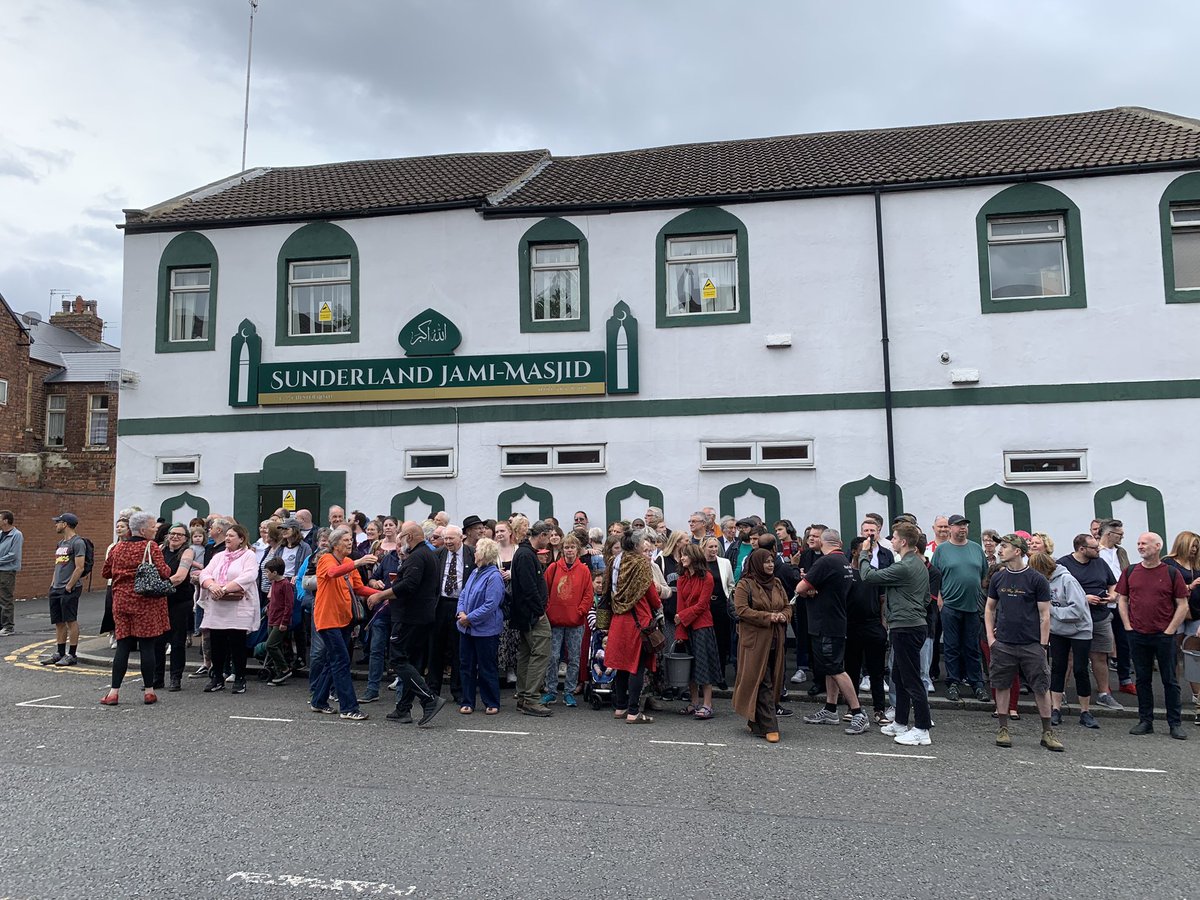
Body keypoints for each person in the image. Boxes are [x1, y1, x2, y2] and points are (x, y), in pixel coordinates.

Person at [985, 534, 1062, 752]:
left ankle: (1047, 732)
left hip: (1031, 644)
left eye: (1005, 547)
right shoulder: (998, 578)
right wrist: (991, 638)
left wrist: (1042, 645)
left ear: (1017, 551)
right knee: (1001, 684)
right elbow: (989, 608)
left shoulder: (1036, 579)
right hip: (1004, 643)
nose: (1000, 550)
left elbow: (1045, 614)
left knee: (1041, 687)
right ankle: (1003, 728)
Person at [861, 522, 933, 746]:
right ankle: (900, 722)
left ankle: (922, 729)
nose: (891, 541)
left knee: (911, 679)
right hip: (909, 625)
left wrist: (865, 552)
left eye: (893, 537)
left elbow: (868, 576)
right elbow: (925, 597)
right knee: (899, 676)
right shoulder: (917, 563)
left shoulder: (905, 567)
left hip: (907, 627)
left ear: (903, 542)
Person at [795, 529, 869, 735]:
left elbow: (800, 588)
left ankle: (858, 713)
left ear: (822, 541)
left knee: (835, 667)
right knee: (831, 666)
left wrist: (808, 586)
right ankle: (830, 709)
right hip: (835, 621)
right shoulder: (843, 561)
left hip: (825, 623)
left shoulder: (825, 562)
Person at [1117, 532, 1189, 740]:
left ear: (1157, 546)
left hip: (1163, 636)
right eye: (1138, 543)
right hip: (1137, 634)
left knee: (1170, 680)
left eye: (1145, 543)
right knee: (1142, 679)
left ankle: (1174, 723)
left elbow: (1182, 605)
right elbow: (1122, 600)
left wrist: (1169, 631)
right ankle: (1145, 720)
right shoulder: (1130, 572)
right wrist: (1128, 625)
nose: (1140, 546)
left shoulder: (1171, 573)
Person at [100, 511, 172, 706]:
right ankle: (149, 691)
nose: (155, 529)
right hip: (145, 602)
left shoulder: (117, 547)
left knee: (123, 645)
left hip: (121, 601)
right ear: (142, 529)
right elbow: (165, 572)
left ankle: (113, 693)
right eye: (152, 527)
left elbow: (105, 571)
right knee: (147, 646)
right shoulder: (151, 546)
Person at [310, 527, 376, 721]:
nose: (350, 543)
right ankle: (348, 708)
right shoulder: (326, 559)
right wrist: (359, 562)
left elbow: (358, 587)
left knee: (335, 661)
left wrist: (382, 595)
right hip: (327, 620)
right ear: (335, 543)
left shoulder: (348, 562)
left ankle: (318, 701)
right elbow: (332, 573)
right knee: (341, 661)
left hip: (344, 619)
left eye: (351, 539)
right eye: (346, 540)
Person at [1029, 551, 1097, 729]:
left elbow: (1078, 611)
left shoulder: (1067, 580)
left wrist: (1052, 611)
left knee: (1081, 669)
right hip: (1058, 630)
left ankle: (1085, 711)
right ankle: (1056, 708)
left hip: (1079, 630)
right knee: (1057, 667)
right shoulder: (1043, 582)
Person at [1057, 534, 1122, 711]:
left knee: (1100, 656)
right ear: (1081, 549)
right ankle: (1060, 694)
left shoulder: (1100, 563)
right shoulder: (1064, 565)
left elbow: (1112, 583)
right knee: (1069, 657)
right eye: (1094, 547)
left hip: (1100, 616)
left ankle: (1104, 694)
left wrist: (1113, 595)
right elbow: (1057, 591)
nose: (1098, 550)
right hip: (1075, 619)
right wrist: (1083, 598)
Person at [604, 529, 662, 724]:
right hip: (638, 620)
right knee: (636, 666)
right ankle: (633, 711)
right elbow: (652, 597)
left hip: (618, 620)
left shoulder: (615, 561)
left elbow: (605, 590)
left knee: (620, 665)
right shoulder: (642, 564)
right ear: (637, 545)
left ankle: (620, 707)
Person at [731, 549, 789, 742]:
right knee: (762, 681)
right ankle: (770, 725)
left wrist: (784, 615)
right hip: (755, 641)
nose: (770, 565)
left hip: (775, 640)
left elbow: (787, 606)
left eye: (772, 561)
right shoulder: (745, 584)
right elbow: (741, 610)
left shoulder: (777, 583)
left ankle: (755, 722)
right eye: (766, 562)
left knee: (772, 679)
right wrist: (768, 616)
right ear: (756, 564)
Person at [931, 514, 990, 703]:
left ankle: (977, 684)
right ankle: (953, 682)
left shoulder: (976, 549)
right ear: (950, 528)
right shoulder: (942, 550)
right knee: (951, 646)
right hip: (950, 606)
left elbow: (984, 577)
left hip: (973, 607)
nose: (962, 528)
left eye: (965, 525)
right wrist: (939, 599)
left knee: (972, 647)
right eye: (958, 525)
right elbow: (935, 577)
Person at [197, 523, 260, 694]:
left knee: (237, 643)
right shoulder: (219, 556)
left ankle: (240, 677)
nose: (227, 539)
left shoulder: (248, 556)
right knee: (217, 643)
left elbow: (249, 575)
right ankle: (217, 677)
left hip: (238, 605)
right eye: (227, 535)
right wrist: (211, 586)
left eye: (232, 536)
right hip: (218, 606)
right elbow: (205, 573)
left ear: (241, 539)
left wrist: (224, 589)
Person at [541, 535, 592, 707]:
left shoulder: (584, 570)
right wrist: (548, 611)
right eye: (567, 547)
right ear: (562, 549)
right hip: (554, 621)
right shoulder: (553, 568)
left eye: (572, 547)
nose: (569, 551)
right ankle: (551, 691)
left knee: (574, 658)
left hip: (576, 622)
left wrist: (581, 612)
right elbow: (544, 592)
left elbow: (588, 595)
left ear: (577, 550)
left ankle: (569, 691)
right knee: (553, 657)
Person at [457, 537, 505, 715]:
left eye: (477, 550)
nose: (474, 553)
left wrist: (469, 618)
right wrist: (461, 613)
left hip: (486, 631)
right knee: (466, 666)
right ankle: (467, 701)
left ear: (484, 554)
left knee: (487, 667)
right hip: (466, 628)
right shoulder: (475, 572)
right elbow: (463, 595)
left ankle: (491, 701)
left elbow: (490, 604)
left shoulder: (494, 576)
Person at [846, 537, 890, 725]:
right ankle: (852, 707)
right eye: (864, 550)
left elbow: (882, 601)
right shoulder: (846, 574)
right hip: (851, 626)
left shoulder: (874, 574)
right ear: (855, 552)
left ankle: (879, 710)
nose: (869, 554)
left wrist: (883, 626)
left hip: (873, 626)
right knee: (852, 670)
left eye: (870, 551)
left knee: (876, 672)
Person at [512, 518, 553, 717]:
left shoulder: (524, 552)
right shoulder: (527, 555)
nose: (550, 540)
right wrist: (539, 611)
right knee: (540, 653)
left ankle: (523, 696)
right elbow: (529, 588)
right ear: (542, 535)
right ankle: (531, 699)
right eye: (549, 536)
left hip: (526, 614)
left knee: (527, 654)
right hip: (533, 615)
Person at [674, 542, 720, 719]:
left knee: (704, 665)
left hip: (702, 626)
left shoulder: (706, 577)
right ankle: (694, 703)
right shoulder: (682, 578)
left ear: (694, 557)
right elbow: (680, 604)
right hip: (687, 626)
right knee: (690, 666)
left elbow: (702, 605)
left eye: (685, 555)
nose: (682, 558)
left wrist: (682, 616)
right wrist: (680, 630)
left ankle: (707, 704)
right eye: (681, 555)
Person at [430, 525, 473, 705]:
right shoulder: (437, 554)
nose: (447, 542)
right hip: (440, 605)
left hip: (460, 606)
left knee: (458, 650)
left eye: (451, 539)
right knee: (435, 649)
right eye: (445, 539)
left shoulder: (472, 554)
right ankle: (432, 690)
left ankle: (458, 690)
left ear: (461, 537)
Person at [41, 513, 87, 667]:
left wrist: (69, 585)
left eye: (58, 522)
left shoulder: (78, 542)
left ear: (65, 524)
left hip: (70, 588)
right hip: (56, 587)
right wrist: (53, 584)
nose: (55, 525)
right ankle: (60, 653)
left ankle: (72, 655)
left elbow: (79, 567)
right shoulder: (60, 543)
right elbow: (58, 566)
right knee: (59, 622)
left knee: (70, 620)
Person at [156, 523, 196, 692]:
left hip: (180, 601)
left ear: (185, 538)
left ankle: (175, 678)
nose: (175, 537)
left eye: (180, 534)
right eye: (172, 533)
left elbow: (179, 577)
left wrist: (157, 585)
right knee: (157, 641)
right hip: (160, 601)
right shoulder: (159, 549)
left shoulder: (187, 552)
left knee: (177, 642)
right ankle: (156, 678)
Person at [1098, 519, 1135, 696]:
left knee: (1124, 641)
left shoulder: (1121, 552)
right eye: (1119, 534)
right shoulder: (1096, 552)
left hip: (1121, 603)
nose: (1122, 537)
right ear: (1108, 534)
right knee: (1103, 644)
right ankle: (1104, 683)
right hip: (1103, 603)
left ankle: (1125, 679)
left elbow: (1126, 573)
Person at [702, 536, 734, 689]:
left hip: (721, 606)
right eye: (711, 547)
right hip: (704, 607)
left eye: (716, 547)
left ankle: (720, 675)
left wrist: (729, 599)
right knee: (705, 643)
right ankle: (705, 676)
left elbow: (731, 584)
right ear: (704, 547)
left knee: (721, 642)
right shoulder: (699, 563)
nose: (714, 550)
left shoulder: (724, 562)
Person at [262, 557, 295, 684]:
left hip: (279, 621)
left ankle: (285, 669)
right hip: (272, 618)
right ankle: (279, 672)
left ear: (275, 573)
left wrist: (284, 622)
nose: (266, 574)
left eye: (267, 572)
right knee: (276, 646)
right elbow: (274, 601)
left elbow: (289, 604)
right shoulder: (274, 583)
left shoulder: (285, 585)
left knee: (271, 645)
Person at [0, 509, 23, 636]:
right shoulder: (0, 534)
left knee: (5, 598)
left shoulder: (16, 535)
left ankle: (8, 626)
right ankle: (1, 625)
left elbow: (13, 555)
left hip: (7, 570)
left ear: (6, 521)